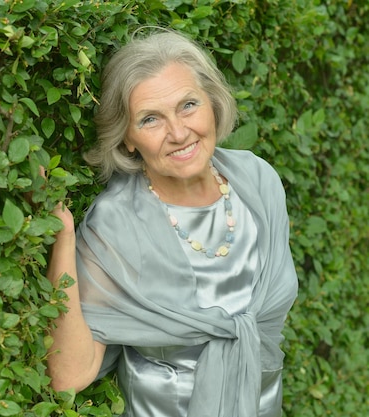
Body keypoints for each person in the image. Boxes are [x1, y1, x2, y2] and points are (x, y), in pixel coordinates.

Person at [45, 30, 298, 417]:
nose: (179, 133)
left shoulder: (258, 181)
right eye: (150, 119)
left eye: (188, 105)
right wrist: (64, 240)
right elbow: (69, 376)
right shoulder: (118, 223)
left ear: (212, 103)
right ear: (127, 138)